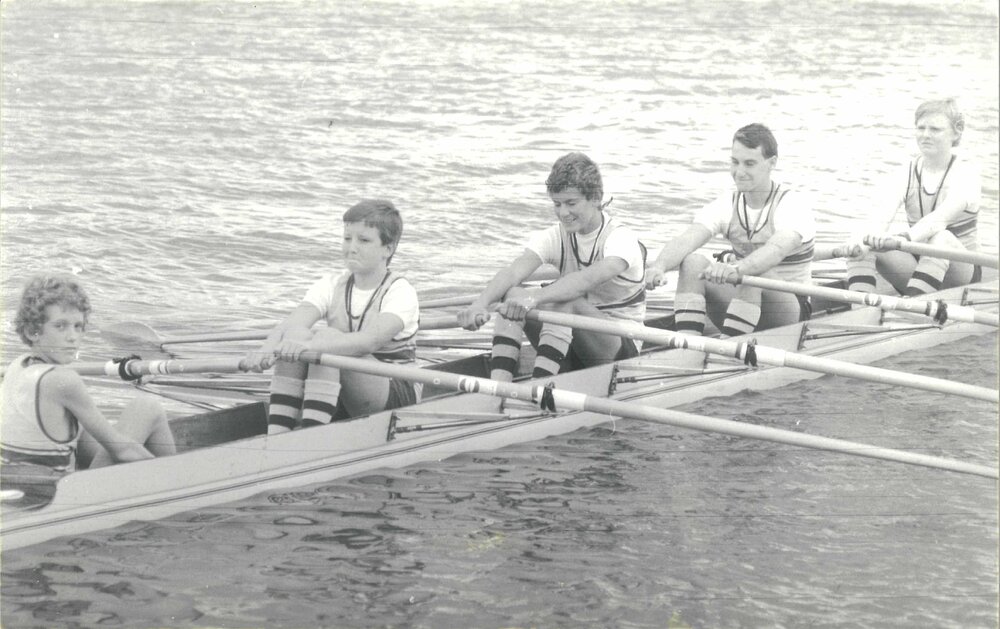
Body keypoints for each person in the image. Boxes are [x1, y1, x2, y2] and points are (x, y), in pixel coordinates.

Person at [457, 152, 646, 382]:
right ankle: (499, 388)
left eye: (571, 203)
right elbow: (513, 272)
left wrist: (534, 299)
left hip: (618, 348)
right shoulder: (557, 235)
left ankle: (540, 387)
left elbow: (583, 282)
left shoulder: (621, 238)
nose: (563, 213)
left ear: (596, 198)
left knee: (565, 300)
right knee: (514, 292)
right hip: (569, 336)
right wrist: (480, 304)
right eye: (557, 204)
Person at [245, 200, 420, 435]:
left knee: (324, 339)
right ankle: (277, 436)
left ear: (388, 249)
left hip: (394, 389)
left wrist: (310, 345)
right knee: (295, 334)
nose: (352, 248)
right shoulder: (331, 284)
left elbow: (369, 341)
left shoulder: (400, 291)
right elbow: (291, 325)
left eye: (364, 240)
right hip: (342, 380)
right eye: (347, 238)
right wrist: (266, 350)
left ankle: (311, 437)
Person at [1, 274, 176, 489]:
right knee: (147, 408)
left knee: (81, 426)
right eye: (61, 326)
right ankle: (178, 487)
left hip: (18, 490)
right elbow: (123, 451)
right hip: (59, 499)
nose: (72, 337)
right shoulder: (62, 380)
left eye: (78, 326)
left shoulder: (17, 365)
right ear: (32, 331)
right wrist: (170, 475)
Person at [645, 123, 816, 337]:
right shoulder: (727, 204)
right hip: (746, 298)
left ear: (772, 163)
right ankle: (689, 347)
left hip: (791, 312)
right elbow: (687, 239)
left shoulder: (792, 205)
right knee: (692, 262)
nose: (739, 172)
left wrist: (738, 268)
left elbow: (776, 250)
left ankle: (730, 352)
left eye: (750, 164)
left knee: (755, 270)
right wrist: (659, 266)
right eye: (735, 162)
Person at [843, 98, 981, 295]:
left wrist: (903, 238)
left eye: (935, 129)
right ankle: (859, 311)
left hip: (962, 274)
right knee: (863, 236)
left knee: (942, 237)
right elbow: (881, 217)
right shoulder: (905, 172)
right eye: (920, 128)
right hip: (917, 265)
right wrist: (864, 241)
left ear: (956, 132)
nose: (925, 135)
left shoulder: (966, 173)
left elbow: (937, 221)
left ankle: (912, 311)